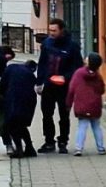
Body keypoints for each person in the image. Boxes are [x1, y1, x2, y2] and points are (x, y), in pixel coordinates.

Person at [35, 17, 84, 153]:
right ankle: (49, 141)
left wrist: (65, 77)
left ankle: (63, 141)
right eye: (50, 30)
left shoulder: (72, 46)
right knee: (47, 114)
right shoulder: (47, 44)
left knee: (64, 115)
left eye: (54, 31)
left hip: (64, 87)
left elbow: (78, 67)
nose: (51, 33)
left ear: (62, 30)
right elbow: (42, 63)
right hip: (48, 86)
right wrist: (39, 82)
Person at [67, 52, 106, 156]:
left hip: (82, 105)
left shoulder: (79, 73)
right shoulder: (98, 76)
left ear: (88, 61)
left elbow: (71, 89)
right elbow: (102, 90)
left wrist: (68, 103)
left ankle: (78, 148)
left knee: (82, 126)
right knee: (96, 126)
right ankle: (101, 148)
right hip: (95, 105)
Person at [0, 59, 38, 158]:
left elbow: (2, 84)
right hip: (29, 101)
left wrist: (1, 95)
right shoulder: (31, 74)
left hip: (14, 100)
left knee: (12, 125)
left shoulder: (11, 67)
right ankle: (30, 148)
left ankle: (19, 150)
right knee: (21, 125)